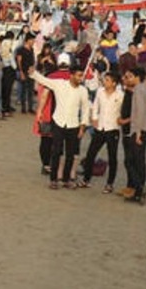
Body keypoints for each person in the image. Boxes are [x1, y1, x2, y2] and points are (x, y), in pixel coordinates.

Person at [30, 61, 90, 189]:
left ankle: (66, 179)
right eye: (79, 75)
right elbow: (44, 80)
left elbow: (85, 110)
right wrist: (33, 73)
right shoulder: (59, 85)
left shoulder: (83, 91)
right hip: (58, 122)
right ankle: (53, 179)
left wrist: (83, 127)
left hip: (74, 124)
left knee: (70, 153)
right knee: (56, 151)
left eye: (82, 76)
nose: (80, 78)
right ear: (71, 75)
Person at [79, 70, 123, 192]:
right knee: (90, 154)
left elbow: (124, 110)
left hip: (113, 128)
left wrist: (121, 119)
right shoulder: (100, 92)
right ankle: (86, 179)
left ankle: (110, 184)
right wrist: (94, 119)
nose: (105, 82)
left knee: (112, 157)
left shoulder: (120, 95)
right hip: (100, 127)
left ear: (114, 83)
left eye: (108, 80)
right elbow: (95, 106)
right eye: (104, 79)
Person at [122, 67, 146, 204]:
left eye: (131, 76)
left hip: (139, 130)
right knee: (139, 161)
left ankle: (139, 188)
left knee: (130, 161)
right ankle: (139, 190)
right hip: (145, 128)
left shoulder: (139, 90)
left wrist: (138, 132)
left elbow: (139, 111)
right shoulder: (145, 89)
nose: (129, 79)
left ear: (136, 77)